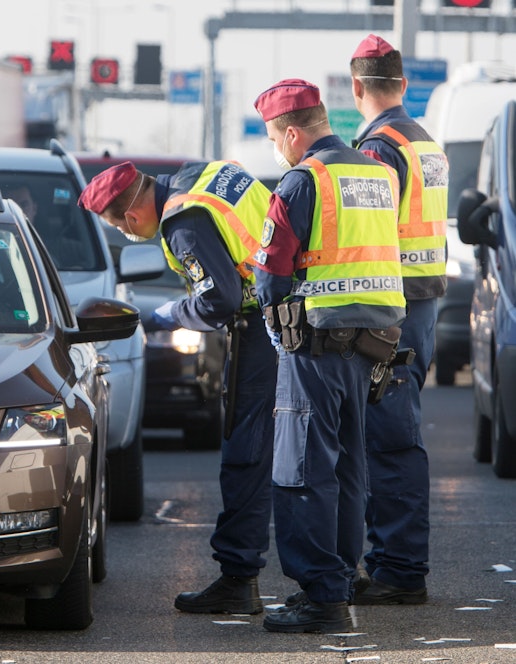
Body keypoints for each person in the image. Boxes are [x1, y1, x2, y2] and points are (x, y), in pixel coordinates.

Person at [78, 159, 277, 615]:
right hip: (300, 315)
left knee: (245, 456)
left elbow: (217, 302)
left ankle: (238, 579)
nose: (128, 234)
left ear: (128, 217)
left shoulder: (183, 221)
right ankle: (335, 577)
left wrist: (159, 317)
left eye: (119, 226)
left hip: (263, 331)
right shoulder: (205, 173)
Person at [251, 78, 406, 633]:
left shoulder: (301, 181)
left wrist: (273, 323)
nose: (277, 149)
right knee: (346, 467)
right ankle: (339, 579)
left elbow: (269, 278)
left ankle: (321, 598)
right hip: (371, 347)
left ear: (292, 134)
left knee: (302, 472)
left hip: (314, 347)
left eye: (274, 138)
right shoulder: (377, 172)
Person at [350, 33, 448, 606]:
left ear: (356, 86)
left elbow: (366, 234)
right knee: (392, 435)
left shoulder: (378, 148)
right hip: (422, 305)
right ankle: (390, 560)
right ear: (404, 84)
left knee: (389, 442)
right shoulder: (423, 140)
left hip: (392, 311)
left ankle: (400, 570)